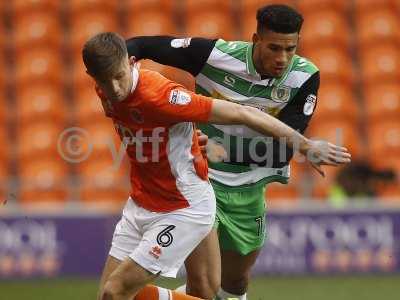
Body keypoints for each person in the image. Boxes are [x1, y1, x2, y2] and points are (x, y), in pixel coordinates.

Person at [83, 32, 350, 300]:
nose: (115, 88)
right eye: (105, 81)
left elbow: (241, 113)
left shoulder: (161, 96)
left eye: (119, 76)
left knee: (116, 292)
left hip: (183, 206)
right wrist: (187, 138)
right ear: (91, 76)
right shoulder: (106, 89)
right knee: (202, 291)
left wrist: (305, 146)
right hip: (141, 203)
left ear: (131, 63)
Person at [125, 4, 322, 299]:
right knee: (204, 285)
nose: (282, 58)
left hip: (251, 187)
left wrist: (222, 151)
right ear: (256, 39)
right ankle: (122, 292)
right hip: (203, 182)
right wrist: (123, 68)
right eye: (274, 48)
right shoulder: (216, 56)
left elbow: (281, 153)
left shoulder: (304, 77)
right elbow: (143, 45)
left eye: (290, 49)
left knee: (235, 283)